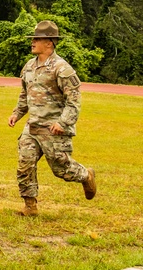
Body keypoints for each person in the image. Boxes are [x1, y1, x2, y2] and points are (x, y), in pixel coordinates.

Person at [8, 20, 96, 216]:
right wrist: (17, 113)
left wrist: (63, 123)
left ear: (49, 43)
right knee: (25, 164)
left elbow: (73, 101)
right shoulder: (29, 66)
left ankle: (85, 175)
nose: (32, 42)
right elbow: (25, 94)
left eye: (37, 39)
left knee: (61, 168)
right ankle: (30, 206)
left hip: (54, 128)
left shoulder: (62, 68)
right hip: (33, 127)